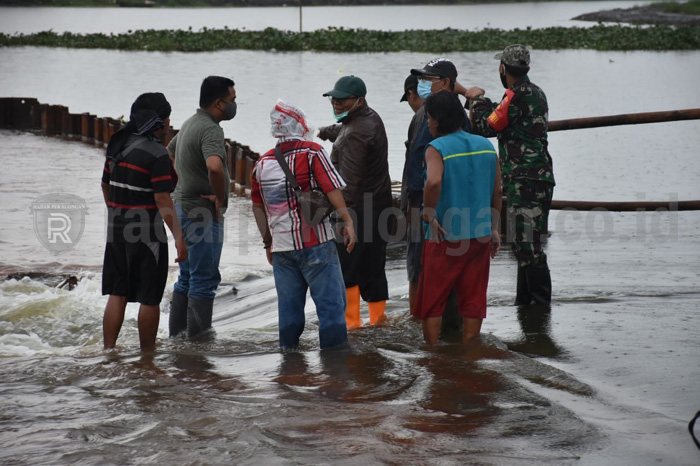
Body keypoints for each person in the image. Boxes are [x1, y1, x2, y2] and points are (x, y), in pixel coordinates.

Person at [252, 100, 357, 350]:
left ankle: (289, 367)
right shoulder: (312, 152)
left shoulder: (262, 164)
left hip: (282, 251)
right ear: (299, 124)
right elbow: (331, 188)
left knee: (289, 314)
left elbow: (258, 208)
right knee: (331, 309)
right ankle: (334, 369)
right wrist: (348, 220)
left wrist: (268, 242)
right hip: (316, 245)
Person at [464, 45, 555, 305]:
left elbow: (485, 125)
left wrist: (477, 99)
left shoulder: (515, 96)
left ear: (503, 68)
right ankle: (526, 306)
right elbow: (502, 112)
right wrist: (484, 102)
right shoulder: (534, 92)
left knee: (527, 246)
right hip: (537, 177)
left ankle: (538, 308)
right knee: (522, 244)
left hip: (525, 179)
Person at [101, 92, 188, 350]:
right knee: (150, 297)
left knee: (118, 292)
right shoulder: (156, 154)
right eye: (167, 118)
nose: (170, 123)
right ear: (158, 121)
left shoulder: (118, 144)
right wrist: (179, 239)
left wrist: (118, 211)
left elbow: (105, 185)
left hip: (116, 228)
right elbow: (163, 199)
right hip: (147, 233)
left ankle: (109, 353)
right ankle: (147, 358)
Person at [417, 90, 502, 345]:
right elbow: (497, 190)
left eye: (430, 118)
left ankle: (431, 356)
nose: (429, 123)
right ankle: (470, 352)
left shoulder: (436, 148)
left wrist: (428, 213)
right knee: (474, 297)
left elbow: (433, 182)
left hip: (444, 235)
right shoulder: (486, 146)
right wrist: (495, 229)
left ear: (438, 119)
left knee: (433, 300)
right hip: (480, 234)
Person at [318, 75, 393, 330]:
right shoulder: (370, 119)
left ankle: (353, 325)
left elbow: (348, 184)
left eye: (342, 100)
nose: (336, 103)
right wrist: (327, 131)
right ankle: (378, 322)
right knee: (373, 270)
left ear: (359, 100)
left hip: (357, 212)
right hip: (379, 208)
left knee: (347, 271)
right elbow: (347, 129)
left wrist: (341, 218)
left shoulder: (355, 135)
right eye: (333, 98)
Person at [168, 76, 236, 339]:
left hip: (183, 208)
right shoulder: (210, 129)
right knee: (203, 281)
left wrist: (182, 182)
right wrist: (218, 197)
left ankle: (178, 339)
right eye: (232, 101)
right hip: (201, 214)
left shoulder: (189, 123)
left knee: (186, 278)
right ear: (219, 103)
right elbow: (214, 166)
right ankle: (198, 345)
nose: (234, 105)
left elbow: (169, 152)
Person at [405, 58, 467, 331]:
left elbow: (421, 170)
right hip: (457, 206)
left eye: (429, 80)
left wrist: (418, 206)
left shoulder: (428, 115)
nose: (423, 86)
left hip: (428, 205)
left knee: (421, 269)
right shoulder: (458, 115)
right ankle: (451, 331)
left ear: (444, 84)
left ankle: (421, 326)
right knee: (450, 268)